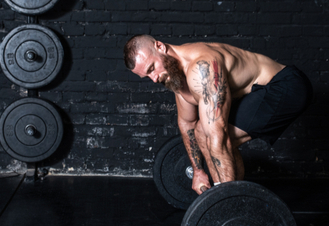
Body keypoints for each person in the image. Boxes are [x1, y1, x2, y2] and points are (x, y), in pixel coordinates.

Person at [124, 35, 312, 194]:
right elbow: (187, 123)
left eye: (151, 68)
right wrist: (197, 170)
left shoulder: (200, 68)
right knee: (201, 132)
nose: (154, 78)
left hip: (285, 86)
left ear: (160, 46)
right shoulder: (174, 75)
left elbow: (217, 134)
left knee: (216, 136)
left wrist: (223, 204)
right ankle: (223, 194)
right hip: (259, 91)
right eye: (147, 76)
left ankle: (230, 201)